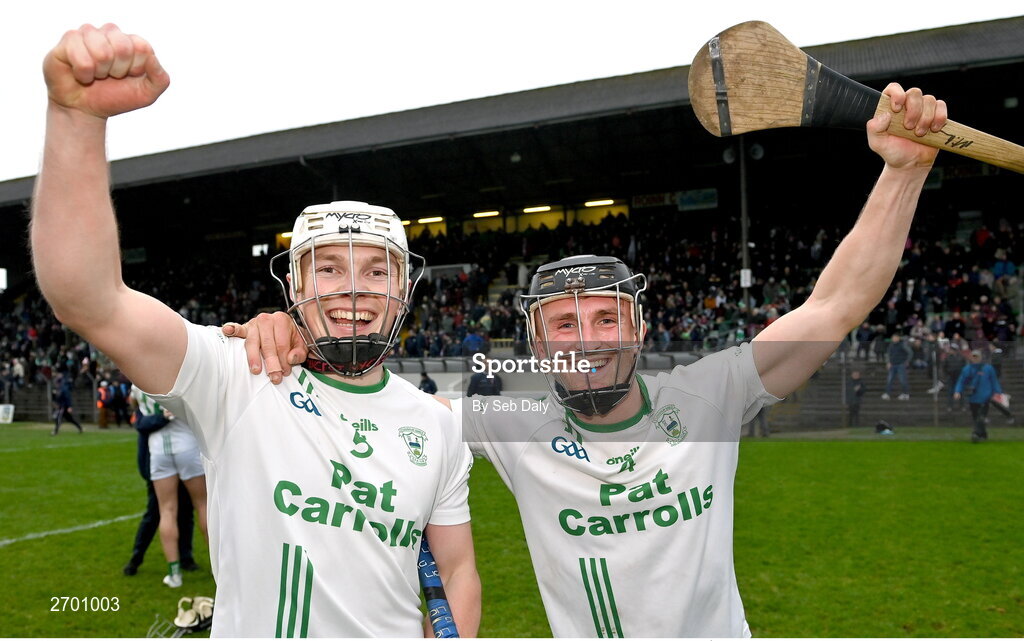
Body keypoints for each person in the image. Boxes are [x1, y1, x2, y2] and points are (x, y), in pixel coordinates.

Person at [235, 78, 948, 636]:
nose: (587, 337)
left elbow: (833, 306)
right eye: (564, 322)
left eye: (607, 317)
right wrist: (295, 334)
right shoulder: (515, 419)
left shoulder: (706, 396)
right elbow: (384, 405)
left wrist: (904, 172)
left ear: (638, 330)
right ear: (537, 343)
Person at [31, 24, 479, 637]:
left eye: (378, 271)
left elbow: (455, 572)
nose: (354, 289)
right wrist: (76, 121)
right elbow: (90, 300)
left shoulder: (438, 425)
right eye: (328, 268)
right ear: (293, 286)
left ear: (404, 289)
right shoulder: (236, 373)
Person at [131, 384, 209, 588]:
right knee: (203, 505)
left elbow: (134, 403)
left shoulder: (136, 380)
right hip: (185, 443)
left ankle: (174, 574)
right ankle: (222, 567)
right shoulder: (171, 370)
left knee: (166, 510)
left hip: (157, 448)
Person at [954, 349, 1005, 443]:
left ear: (980, 358)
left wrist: (998, 393)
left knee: (981, 416)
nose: (975, 358)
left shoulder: (988, 369)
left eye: (977, 356)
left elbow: (994, 382)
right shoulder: (967, 369)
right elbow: (961, 381)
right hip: (973, 398)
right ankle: (983, 434)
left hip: (985, 397)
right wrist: (958, 391)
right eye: (973, 356)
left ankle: (976, 434)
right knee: (976, 417)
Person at [881, 333, 912, 400]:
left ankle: (905, 394)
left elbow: (910, 352)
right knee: (889, 380)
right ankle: (887, 393)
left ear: (898, 338)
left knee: (902, 380)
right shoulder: (891, 345)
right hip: (892, 364)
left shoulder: (902, 345)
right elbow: (888, 354)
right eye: (893, 338)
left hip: (900, 364)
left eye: (896, 337)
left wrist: (907, 361)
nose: (894, 339)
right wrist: (888, 362)